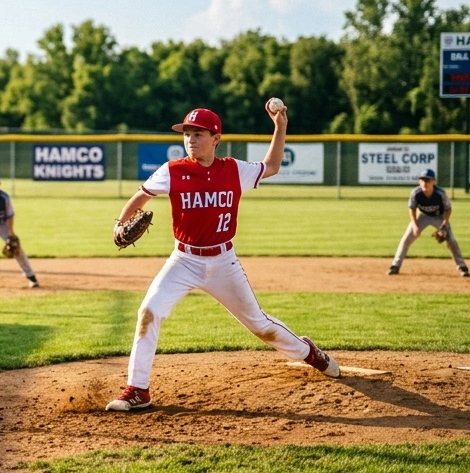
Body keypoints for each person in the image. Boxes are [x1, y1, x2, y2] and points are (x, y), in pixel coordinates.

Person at [106, 103, 341, 412]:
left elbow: (271, 167)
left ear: (216, 138)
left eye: (198, 134)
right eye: (187, 133)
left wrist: (280, 127)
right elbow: (141, 196)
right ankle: (138, 390)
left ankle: (309, 352)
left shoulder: (233, 169)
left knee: (259, 325)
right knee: (149, 311)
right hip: (183, 260)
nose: (190, 139)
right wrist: (120, 223)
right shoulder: (174, 170)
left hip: (223, 263)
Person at [387, 168, 470, 277]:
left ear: (434, 181)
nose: (425, 182)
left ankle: (462, 267)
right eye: (422, 180)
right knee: (406, 239)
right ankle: (395, 266)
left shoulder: (440, 193)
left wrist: (444, 226)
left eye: (428, 180)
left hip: (439, 217)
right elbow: (411, 209)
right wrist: (415, 225)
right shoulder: (415, 193)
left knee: (452, 241)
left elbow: (448, 209)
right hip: (422, 216)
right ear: (419, 181)